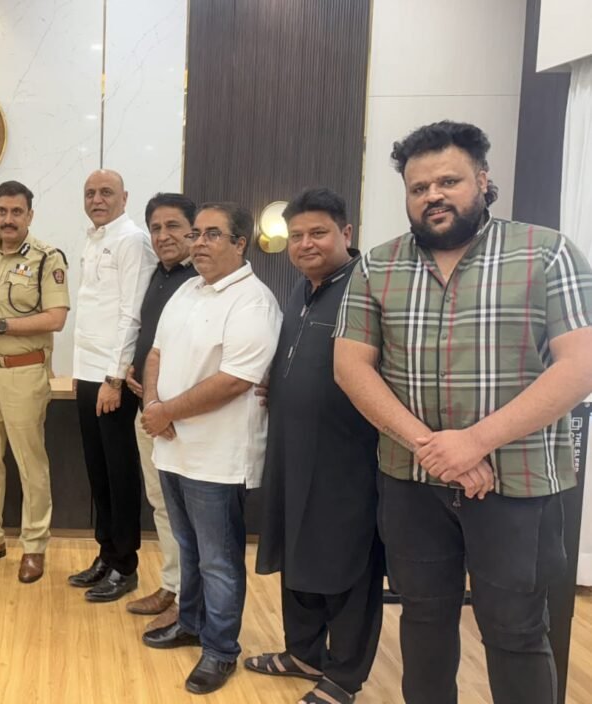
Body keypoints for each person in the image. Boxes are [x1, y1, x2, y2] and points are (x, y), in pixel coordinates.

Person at [334, 120, 592, 704]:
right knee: (423, 622)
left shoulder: (547, 252)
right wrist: (434, 448)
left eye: (448, 181)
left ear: (482, 180)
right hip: (411, 482)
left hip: (517, 484)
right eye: (418, 187)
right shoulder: (377, 266)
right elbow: (351, 368)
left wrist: (474, 442)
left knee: (516, 630)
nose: (433, 195)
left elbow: (579, 366)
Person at [244, 188, 383, 704]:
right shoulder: (303, 290)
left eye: (318, 233)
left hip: (347, 457)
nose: (305, 244)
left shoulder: (367, 288)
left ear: (346, 233)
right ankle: (303, 652)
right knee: (297, 553)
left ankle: (343, 677)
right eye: (296, 235)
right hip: (293, 451)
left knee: (346, 564)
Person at [140, 202, 281, 695]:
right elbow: (156, 352)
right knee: (189, 549)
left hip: (218, 458)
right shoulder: (187, 290)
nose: (198, 242)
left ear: (240, 244)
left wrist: (165, 412)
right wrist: (153, 405)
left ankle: (220, 650)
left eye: (212, 234)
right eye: (196, 233)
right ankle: (191, 623)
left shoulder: (253, 302)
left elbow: (235, 380)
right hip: (173, 447)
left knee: (218, 560)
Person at [0, 180, 70, 583]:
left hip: (24, 372)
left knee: (29, 463)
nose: (8, 219)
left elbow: (56, 318)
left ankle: (34, 546)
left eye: (16, 212)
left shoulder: (47, 258)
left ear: (29, 215)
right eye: (2, 211)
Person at [68, 169, 156, 602]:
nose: (97, 199)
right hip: (88, 373)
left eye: (106, 192)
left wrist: (114, 377)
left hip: (111, 378)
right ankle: (106, 553)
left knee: (119, 472)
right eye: (90, 193)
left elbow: (131, 314)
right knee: (98, 470)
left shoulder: (132, 240)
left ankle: (126, 564)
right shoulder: (94, 239)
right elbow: (92, 312)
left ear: (124, 197)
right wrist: (81, 371)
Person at [123, 193, 198, 629]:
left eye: (173, 226)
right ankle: (172, 585)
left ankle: (189, 599)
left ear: (193, 230)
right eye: (155, 227)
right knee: (161, 503)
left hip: (183, 417)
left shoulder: (201, 280)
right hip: (147, 410)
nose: (163, 235)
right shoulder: (156, 275)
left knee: (185, 510)